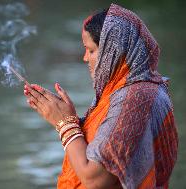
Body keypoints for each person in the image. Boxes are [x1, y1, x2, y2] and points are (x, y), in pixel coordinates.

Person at [24, 3, 178, 189]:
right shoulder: (132, 91)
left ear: (111, 52)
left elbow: (95, 180)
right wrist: (68, 117)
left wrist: (65, 124)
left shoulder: (136, 98)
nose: (85, 58)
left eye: (91, 50)